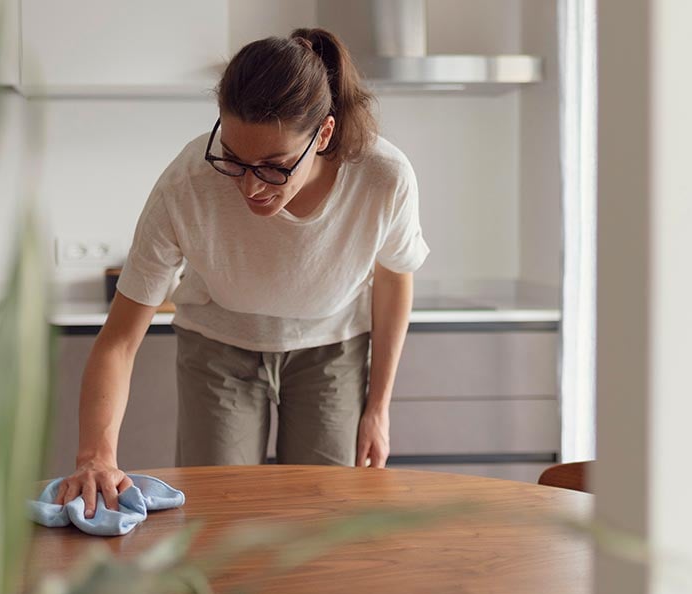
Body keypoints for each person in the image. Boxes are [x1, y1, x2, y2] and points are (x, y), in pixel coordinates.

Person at [55, 28, 429, 518]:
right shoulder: (186, 185)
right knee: (216, 514)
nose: (250, 186)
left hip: (331, 350)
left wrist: (377, 409)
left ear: (323, 134)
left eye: (274, 166)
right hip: (218, 347)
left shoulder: (383, 178)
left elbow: (395, 278)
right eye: (233, 158)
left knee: (323, 515)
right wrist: (95, 456)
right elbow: (120, 339)